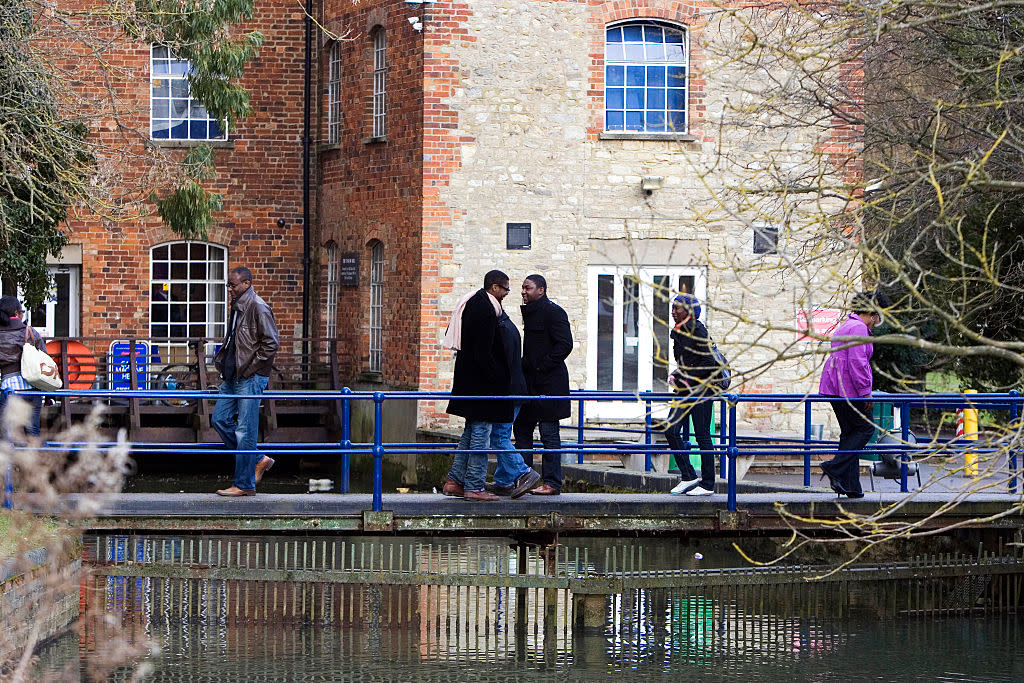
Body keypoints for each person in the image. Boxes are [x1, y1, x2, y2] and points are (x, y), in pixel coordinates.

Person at [443, 270, 517, 502]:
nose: (507, 294)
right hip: (482, 386)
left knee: (470, 432)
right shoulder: (484, 309)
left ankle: (455, 480)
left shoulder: (474, 302)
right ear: (494, 287)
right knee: (480, 435)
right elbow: (484, 352)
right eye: (505, 289)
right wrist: (497, 380)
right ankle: (474, 485)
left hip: (470, 382)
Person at [212, 267, 279, 497]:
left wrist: (250, 369)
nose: (229, 289)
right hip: (233, 376)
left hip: (249, 377)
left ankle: (244, 484)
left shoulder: (258, 307)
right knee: (219, 419)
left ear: (247, 284)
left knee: (245, 430)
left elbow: (271, 343)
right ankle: (258, 460)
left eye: (233, 285)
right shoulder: (237, 306)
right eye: (228, 285)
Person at [818, 290, 889, 499]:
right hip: (848, 390)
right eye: (878, 316)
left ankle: (850, 486)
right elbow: (858, 363)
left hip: (835, 389)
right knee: (865, 429)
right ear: (873, 313)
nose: (878, 321)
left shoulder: (847, 325)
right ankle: (835, 468)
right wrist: (866, 392)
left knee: (850, 434)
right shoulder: (858, 328)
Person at [513, 274, 573, 495]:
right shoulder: (531, 313)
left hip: (549, 384)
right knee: (521, 431)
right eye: (522, 288)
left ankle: (552, 483)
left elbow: (565, 344)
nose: (523, 292)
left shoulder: (554, 312)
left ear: (541, 290)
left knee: (549, 434)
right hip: (529, 383)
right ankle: (522, 478)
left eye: (527, 288)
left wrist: (541, 366)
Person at [666, 294, 721, 496]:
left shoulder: (698, 330)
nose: (673, 312)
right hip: (683, 390)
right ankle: (688, 476)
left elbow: (708, 365)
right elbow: (684, 362)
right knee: (671, 430)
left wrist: (687, 376)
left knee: (703, 436)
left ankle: (707, 484)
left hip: (701, 392)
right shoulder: (678, 332)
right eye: (672, 308)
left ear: (689, 311)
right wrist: (676, 374)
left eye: (677, 308)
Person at [484, 308, 542, 497]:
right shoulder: (508, 327)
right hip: (514, 390)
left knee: (499, 437)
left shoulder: (502, 331)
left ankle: (523, 472)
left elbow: (502, 365)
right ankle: (504, 481)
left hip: (510, 391)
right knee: (502, 434)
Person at [0, 296, 46, 437]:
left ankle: (7, 459)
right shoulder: (30, 332)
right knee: (33, 433)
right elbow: (44, 358)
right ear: (16, 313)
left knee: (5, 434)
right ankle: (36, 458)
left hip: (9, 389)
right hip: (33, 387)